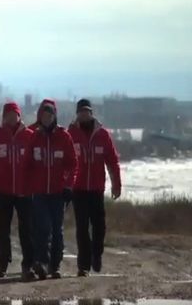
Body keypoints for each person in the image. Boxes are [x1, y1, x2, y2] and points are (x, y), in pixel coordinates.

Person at [0, 102, 36, 281]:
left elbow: (38, 165)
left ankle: (28, 265)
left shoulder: (30, 137)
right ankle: (3, 263)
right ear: (4, 117)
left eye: (15, 114)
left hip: (25, 191)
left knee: (26, 229)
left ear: (19, 116)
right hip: (3, 191)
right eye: (8, 114)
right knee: (2, 229)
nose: (12, 117)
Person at [23, 101, 78, 280]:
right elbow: (27, 165)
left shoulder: (64, 137)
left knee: (56, 230)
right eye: (43, 116)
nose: (46, 119)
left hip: (58, 192)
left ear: (54, 116)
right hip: (39, 192)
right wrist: (28, 186)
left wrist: (69, 185)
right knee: (42, 228)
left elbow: (73, 164)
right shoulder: (35, 137)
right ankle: (42, 263)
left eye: (50, 116)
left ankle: (55, 265)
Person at [68, 99, 122, 277]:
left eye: (87, 111)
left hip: (97, 188)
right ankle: (83, 265)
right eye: (81, 112)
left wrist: (116, 184)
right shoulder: (71, 134)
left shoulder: (102, 134)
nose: (84, 114)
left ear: (91, 113)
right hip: (78, 188)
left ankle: (96, 254)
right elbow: (64, 161)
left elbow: (112, 160)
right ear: (77, 114)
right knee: (82, 228)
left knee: (99, 226)